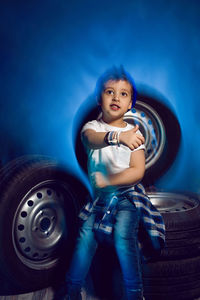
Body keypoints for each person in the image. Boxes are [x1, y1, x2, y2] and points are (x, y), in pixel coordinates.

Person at [53, 66, 165, 300]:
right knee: (85, 236)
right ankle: (72, 290)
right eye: (109, 92)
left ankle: (135, 294)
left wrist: (109, 179)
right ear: (98, 98)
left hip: (127, 197)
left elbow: (137, 172)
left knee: (123, 236)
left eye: (123, 94)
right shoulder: (93, 128)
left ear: (131, 104)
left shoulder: (135, 134)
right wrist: (116, 137)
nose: (116, 97)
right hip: (100, 199)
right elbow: (90, 140)